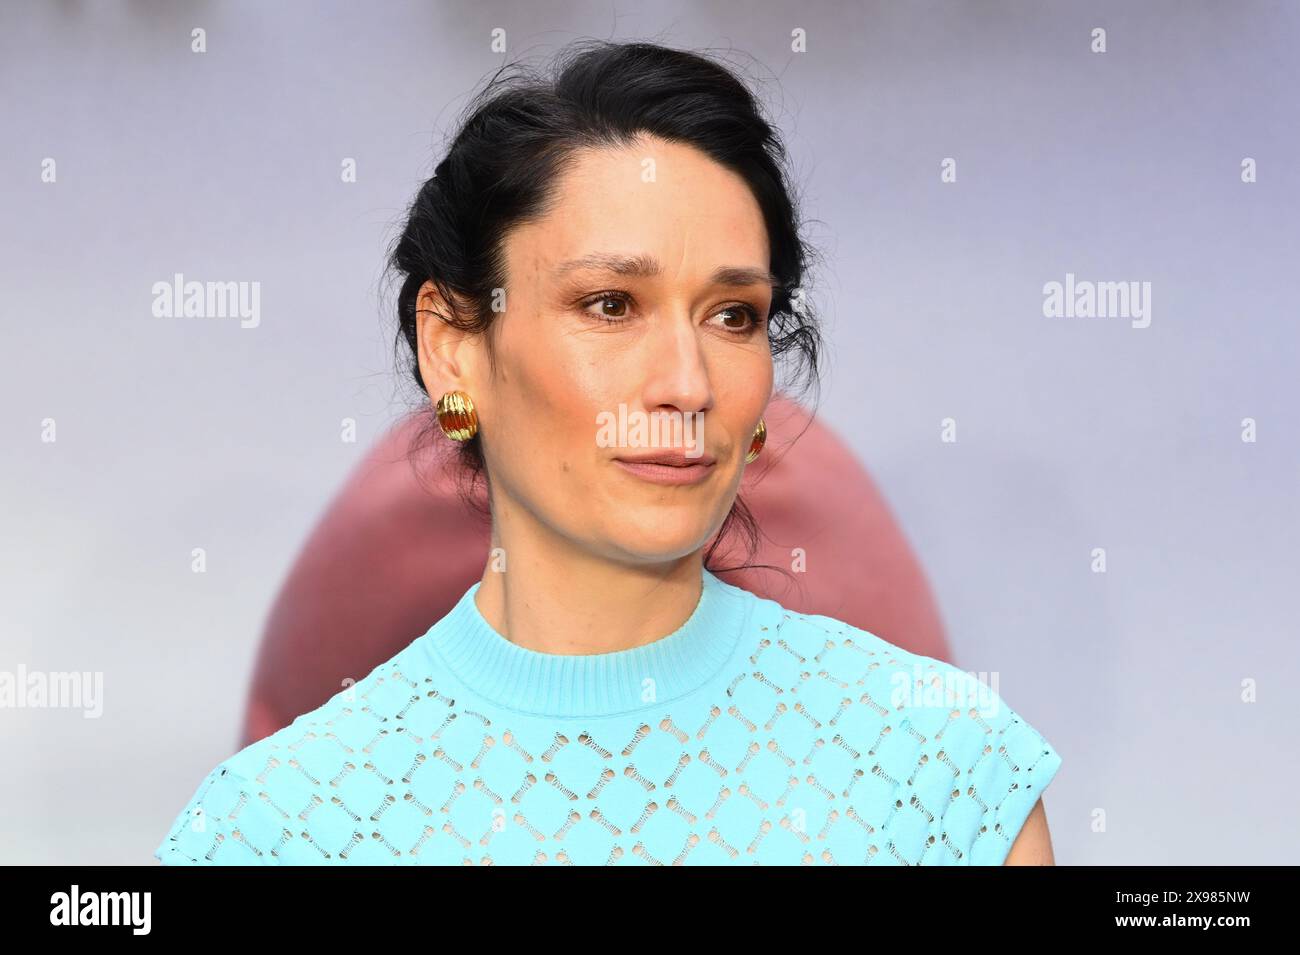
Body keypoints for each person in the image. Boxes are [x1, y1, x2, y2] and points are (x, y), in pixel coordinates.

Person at [155, 39, 1060, 866]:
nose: (687, 382)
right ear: (454, 345)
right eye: (610, 305)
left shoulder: (943, 769)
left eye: (732, 315)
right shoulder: (280, 825)